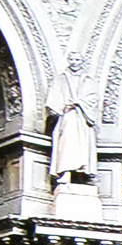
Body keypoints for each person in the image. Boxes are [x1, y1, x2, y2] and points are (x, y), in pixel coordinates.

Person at [46, 53, 97, 185]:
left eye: (77, 60)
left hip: (81, 117)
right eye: (72, 59)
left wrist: (79, 102)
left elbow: (93, 98)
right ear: (68, 60)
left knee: (82, 145)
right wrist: (61, 106)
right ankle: (65, 171)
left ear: (82, 61)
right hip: (67, 115)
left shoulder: (88, 80)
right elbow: (54, 95)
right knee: (66, 142)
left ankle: (81, 172)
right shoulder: (61, 78)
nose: (74, 62)